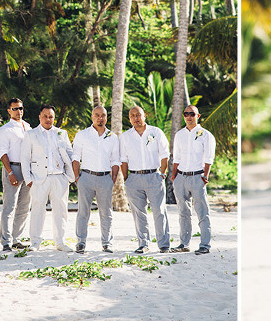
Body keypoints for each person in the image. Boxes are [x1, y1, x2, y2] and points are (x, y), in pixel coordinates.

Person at [20, 104, 74, 251]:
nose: (48, 119)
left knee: (61, 210)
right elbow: (24, 158)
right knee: (37, 210)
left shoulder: (61, 134)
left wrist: (69, 176)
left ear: (54, 118)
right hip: (38, 179)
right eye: (45, 116)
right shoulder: (31, 134)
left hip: (59, 178)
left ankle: (60, 242)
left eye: (51, 116)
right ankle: (35, 242)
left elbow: (70, 154)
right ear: (39, 117)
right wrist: (29, 180)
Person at [120, 106, 170, 253]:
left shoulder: (156, 132)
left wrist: (162, 173)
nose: (136, 118)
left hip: (154, 176)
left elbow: (164, 154)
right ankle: (143, 244)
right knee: (138, 213)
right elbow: (123, 159)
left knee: (159, 211)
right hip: (134, 178)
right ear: (129, 119)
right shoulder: (125, 136)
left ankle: (164, 244)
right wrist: (127, 179)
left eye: (138, 115)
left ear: (144, 116)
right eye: (132, 116)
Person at [72, 106, 120, 253]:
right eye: (97, 115)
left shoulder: (112, 137)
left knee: (106, 213)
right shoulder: (82, 135)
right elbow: (75, 157)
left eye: (103, 115)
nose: (100, 118)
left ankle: (107, 243)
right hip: (86, 177)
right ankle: (81, 242)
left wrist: (112, 179)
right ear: (92, 117)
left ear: (106, 117)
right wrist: (77, 178)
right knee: (83, 212)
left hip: (105, 178)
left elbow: (115, 160)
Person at [171, 105, 216, 255]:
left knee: (202, 212)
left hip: (198, 177)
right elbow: (176, 157)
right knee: (183, 212)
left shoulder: (206, 135)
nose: (189, 116)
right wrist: (174, 175)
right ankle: (184, 243)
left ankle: (205, 244)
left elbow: (209, 158)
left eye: (192, 114)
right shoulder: (179, 135)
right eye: (186, 114)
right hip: (181, 177)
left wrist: (205, 176)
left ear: (198, 116)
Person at [0, 98, 32, 252]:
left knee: (24, 206)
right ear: (9, 111)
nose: (19, 111)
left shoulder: (29, 127)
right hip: (13, 168)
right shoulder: (5, 130)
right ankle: (6, 241)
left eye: (21, 108)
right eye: (15, 108)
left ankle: (16, 239)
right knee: (9, 206)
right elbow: (2, 153)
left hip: (28, 169)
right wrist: (10, 172)